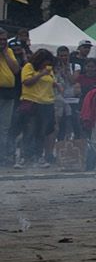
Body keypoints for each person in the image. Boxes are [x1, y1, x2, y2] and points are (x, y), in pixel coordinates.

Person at [15, 49, 58, 168]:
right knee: (29, 130)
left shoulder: (49, 70)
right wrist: (41, 74)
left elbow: (51, 82)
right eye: (45, 62)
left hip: (47, 103)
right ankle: (24, 157)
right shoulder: (29, 67)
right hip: (32, 102)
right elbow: (27, 82)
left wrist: (56, 84)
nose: (47, 65)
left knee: (42, 132)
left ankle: (39, 156)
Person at [0, 32, 22, 165]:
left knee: (4, 127)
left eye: (4, 39)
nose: (2, 42)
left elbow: (15, 70)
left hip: (8, 93)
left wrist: (5, 53)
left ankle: (2, 156)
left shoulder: (8, 51)